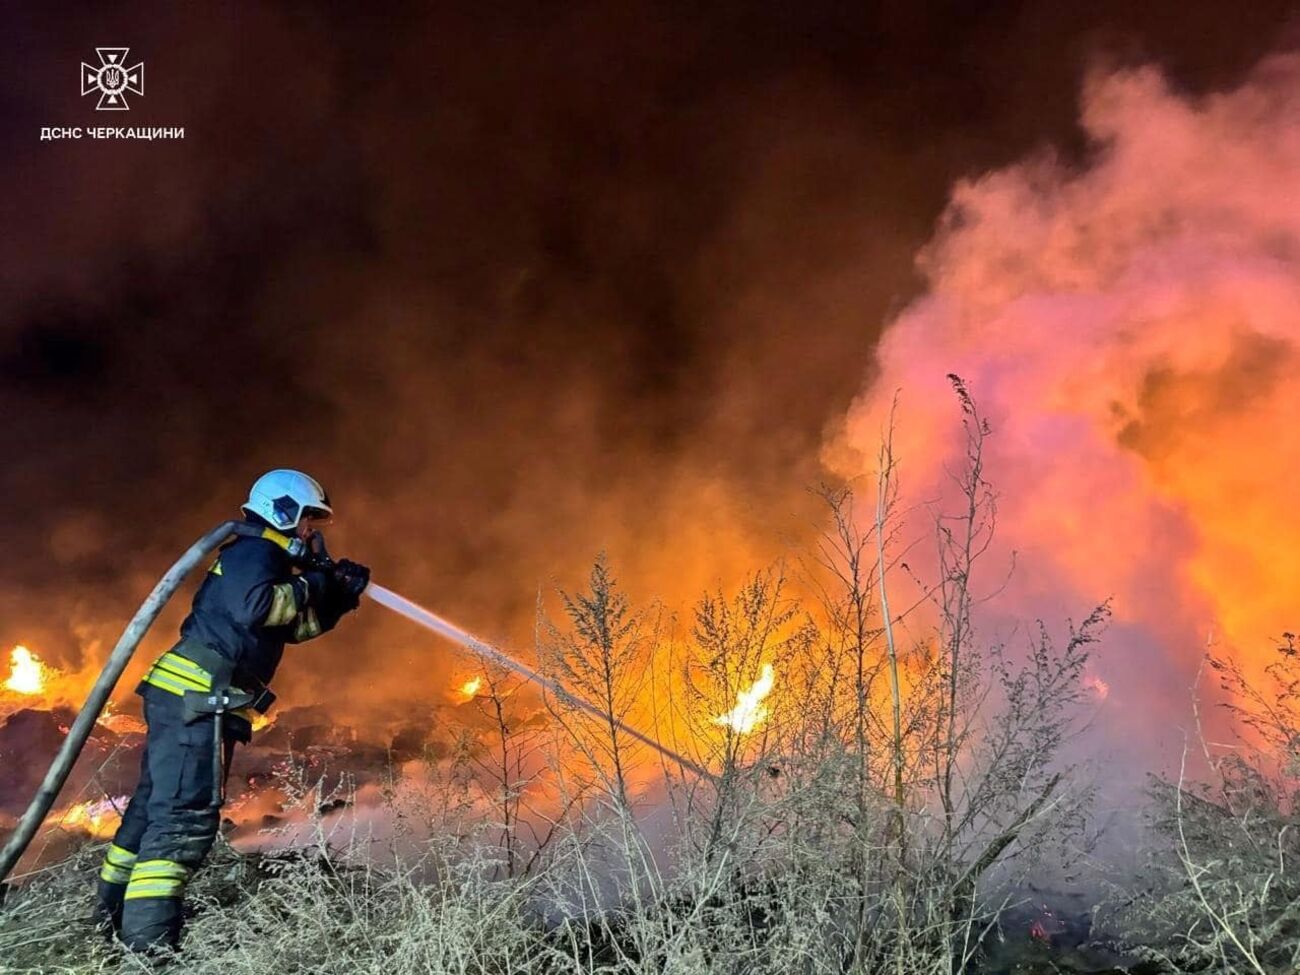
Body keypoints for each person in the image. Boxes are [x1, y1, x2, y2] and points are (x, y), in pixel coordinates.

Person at [93, 469, 370, 953]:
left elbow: (287, 626)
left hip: (190, 701)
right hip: (196, 701)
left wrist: (339, 599)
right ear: (283, 510)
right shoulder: (255, 550)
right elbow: (257, 607)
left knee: (150, 813)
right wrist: (320, 580)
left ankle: (108, 922)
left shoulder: (263, 561)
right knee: (182, 822)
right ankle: (149, 951)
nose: (310, 531)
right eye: (308, 520)